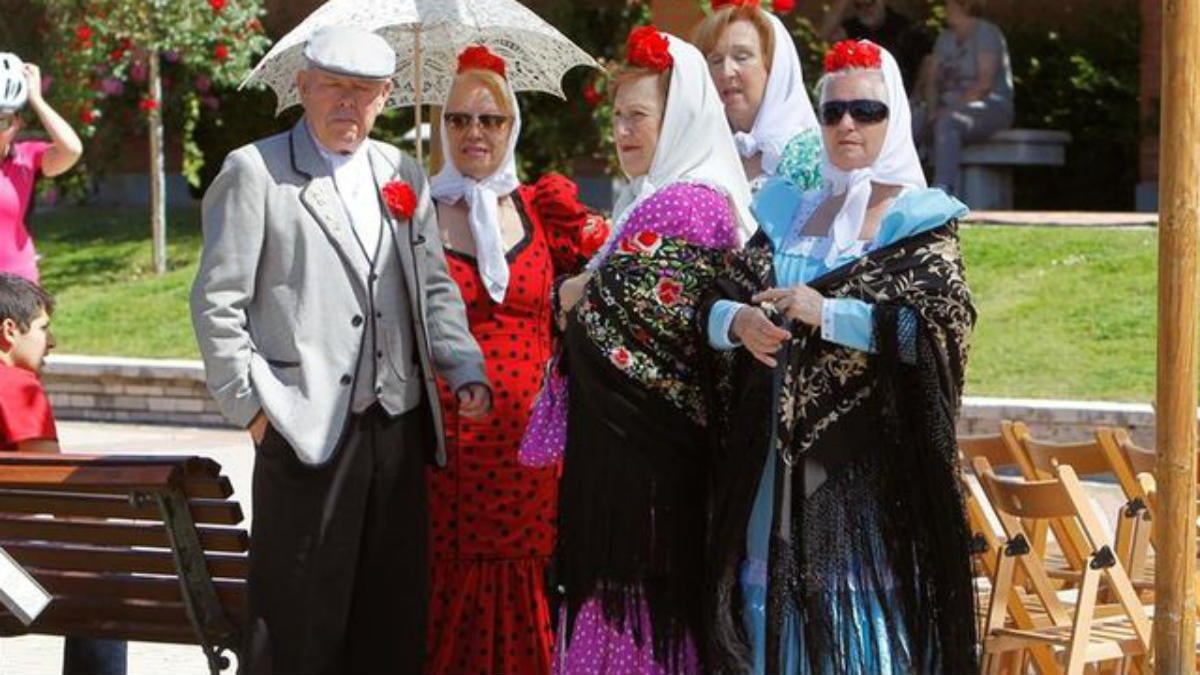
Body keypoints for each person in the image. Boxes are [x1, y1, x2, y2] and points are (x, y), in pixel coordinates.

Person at [190, 25, 491, 675]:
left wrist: (463, 364)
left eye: (366, 91)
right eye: (334, 87)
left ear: (387, 97)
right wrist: (254, 411)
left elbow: (433, 285)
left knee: (391, 613)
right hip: (302, 428)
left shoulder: (401, 171)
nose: (349, 104)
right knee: (298, 620)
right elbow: (216, 305)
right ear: (303, 87)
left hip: (399, 427)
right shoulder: (256, 171)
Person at [704, 40, 978, 675]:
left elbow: (938, 334)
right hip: (771, 471)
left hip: (864, 474)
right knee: (771, 618)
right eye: (834, 112)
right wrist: (740, 321)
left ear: (895, 118)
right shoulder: (788, 212)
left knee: (856, 631)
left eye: (866, 110)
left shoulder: (920, 224)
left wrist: (827, 314)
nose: (848, 125)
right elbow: (715, 302)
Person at [551, 26, 753, 675]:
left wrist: (575, 289)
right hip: (623, 466)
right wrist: (579, 291)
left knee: (646, 625)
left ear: (681, 121)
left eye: (639, 116)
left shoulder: (695, 206)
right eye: (616, 117)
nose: (622, 131)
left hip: (655, 473)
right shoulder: (652, 201)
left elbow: (612, 311)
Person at [424, 45, 607, 675]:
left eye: (490, 120)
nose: (474, 133)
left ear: (512, 126)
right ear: (442, 127)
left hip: (530, 451)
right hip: (448, 452)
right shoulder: (415, 214)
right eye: (459, 120)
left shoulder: (543, 209)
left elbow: (603, 284)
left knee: (527, 586)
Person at [0, 272, 128, 675]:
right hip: (6, 585)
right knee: (101, 581)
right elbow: (53, 489)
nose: (51, 342)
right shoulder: (17, 387)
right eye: (43, 329)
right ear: (8, 331)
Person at [693, 1, 820, 191]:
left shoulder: (814, 157)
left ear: (774, 67)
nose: (726, 72)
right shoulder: (702, 155)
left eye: (741, 57)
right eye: (716, 60)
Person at [0, 53, 83, 283]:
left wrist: (36, 99)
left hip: (18, 288)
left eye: (2, 121)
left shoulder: (26, 158)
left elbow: (72, 150)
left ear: (18, 122)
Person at [917, 0, 1013, 194]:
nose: (945, 7)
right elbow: (932, 82)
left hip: (989, 107)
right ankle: (899, 188)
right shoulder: (944, 38)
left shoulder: (987, 33)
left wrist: (946, 112)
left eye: (949, 3)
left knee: (947, 122)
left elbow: (984, 85)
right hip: (946, 107)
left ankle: (941, 191)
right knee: (914, 118)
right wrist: (932, 110)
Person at [818, 0, 932, 92]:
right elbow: (825, 34)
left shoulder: (903, 28)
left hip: (897, 96)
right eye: (858, 5)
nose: (865, 9)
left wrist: (915, 98)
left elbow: (927, 61)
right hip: (860, 94)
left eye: (870, 3)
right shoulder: (853, 27)